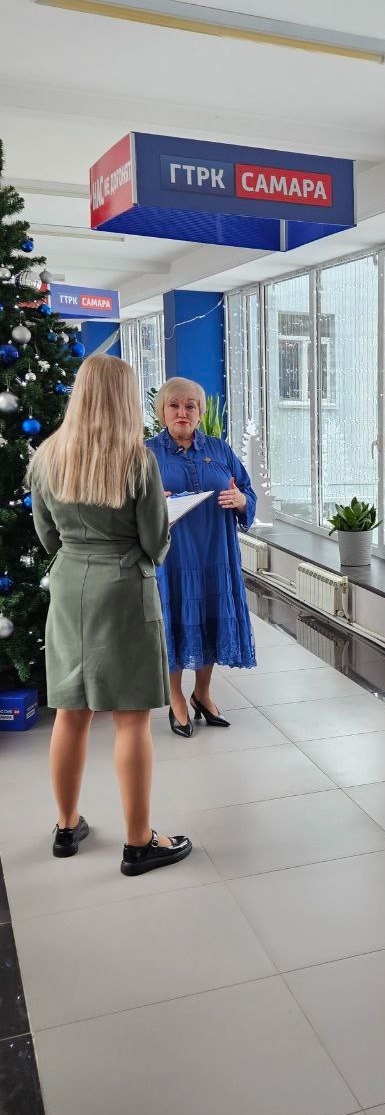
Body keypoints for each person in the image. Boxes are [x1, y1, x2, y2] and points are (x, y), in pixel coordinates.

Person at [27, 354, 193, 877]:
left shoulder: (47, 456)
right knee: (131, 718)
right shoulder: (136, 461)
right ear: (124, 399)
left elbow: (47, 537)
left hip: (69, 585)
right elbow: (155, 542)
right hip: (124, 589)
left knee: (70, 712)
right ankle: (139, 843)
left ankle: (65, 826)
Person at [146, 378, 256, 737]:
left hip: (216, 553)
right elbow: (126, 503)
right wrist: (150, 505)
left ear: (200, 412)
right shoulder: (145, 453)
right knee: (176, 621)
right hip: (172, 558)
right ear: (162, 411)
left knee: (210, 617)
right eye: (174, 405)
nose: (182, 412)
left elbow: (247, 491)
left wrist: (242, 501)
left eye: (190, 406)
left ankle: (202, 693)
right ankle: (176, 698)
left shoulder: (220, 449)